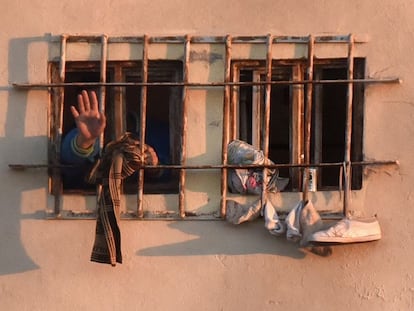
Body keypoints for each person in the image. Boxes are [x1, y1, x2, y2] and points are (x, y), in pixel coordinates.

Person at [61, 90, 164, 189]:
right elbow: (67, 160)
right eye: (91, 106)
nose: (98, 114)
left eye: (106, 103)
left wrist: (155, 168)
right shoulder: (81, 131)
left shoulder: (153, 131)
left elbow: (174, 173)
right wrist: (85, 141)